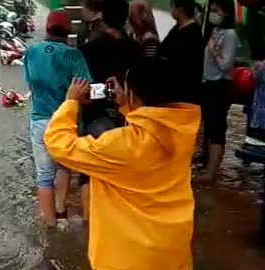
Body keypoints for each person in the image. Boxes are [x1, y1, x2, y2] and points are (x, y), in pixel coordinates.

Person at [44, 58, 200, 270]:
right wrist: (127, 105)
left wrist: (70, 102)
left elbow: (59, 145)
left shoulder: (118, 145)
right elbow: (152, 126)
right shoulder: (182, 131)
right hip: (172, 247)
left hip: (129, 256)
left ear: (133, 94)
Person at [23, 10, 91, 226]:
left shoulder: (31, 52)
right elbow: (85, 91)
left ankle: (49, 225)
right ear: (68, 30)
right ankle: (61, 210)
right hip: (66, 120)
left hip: (40, 120)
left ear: (47, 28)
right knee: (63, 166)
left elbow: (30, 85)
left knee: (43, 176)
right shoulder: (73, 55)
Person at [77, 0, 139, 221]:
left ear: (102, 17)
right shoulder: (135, 49)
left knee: (89, 171)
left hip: (96, 115)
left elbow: (82, 85)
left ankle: (88, 221)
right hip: (128, 117)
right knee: (121, 172)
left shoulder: (89, 49)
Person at [198, 0, 239, 182]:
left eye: (217, 10)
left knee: (216, 129)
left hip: (220, 85)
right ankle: (208, 167)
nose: (213, 14)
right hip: (208, 83)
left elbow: (226, 65)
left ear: (226, 13)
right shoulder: (216, 31)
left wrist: (214, 51)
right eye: (212, 10)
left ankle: (212, 172)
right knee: (209, 126)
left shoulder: (230, 35)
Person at [159, 0, 204, 104]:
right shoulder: (177, 28)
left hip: (184, 90)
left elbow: (183, 62)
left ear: (181, 8)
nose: (171, 10)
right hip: (172, 88)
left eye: (172, 5)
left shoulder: (192, 33)